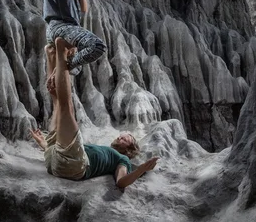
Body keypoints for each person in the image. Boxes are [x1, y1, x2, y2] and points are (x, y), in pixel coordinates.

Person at [30, 37, 159, 188]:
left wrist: (142, 169)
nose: (123, 135)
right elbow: (63, 152)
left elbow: (121, 182)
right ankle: (51, 54)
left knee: (66, 106)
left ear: (130, 149)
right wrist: (43, 143)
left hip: (74, 165)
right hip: (55, 158)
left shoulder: (123, 160)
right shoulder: (107, 151)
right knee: (57, 101)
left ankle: (61, 52)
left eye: (128, 137)